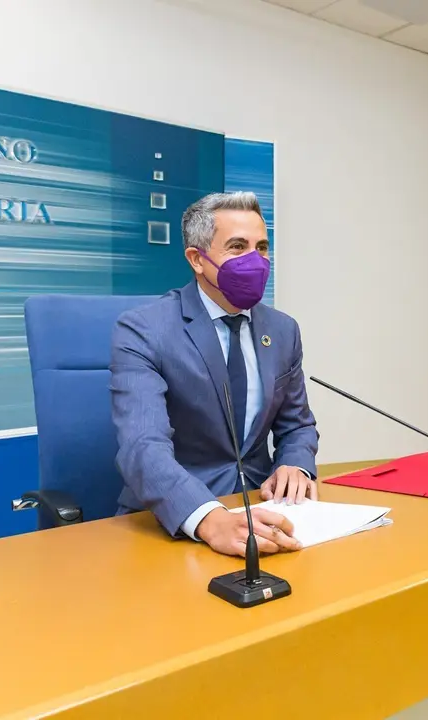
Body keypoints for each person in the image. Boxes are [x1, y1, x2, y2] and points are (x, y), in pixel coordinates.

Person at [110, 191, 319, 557]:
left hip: (265, 509)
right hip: (174, 523)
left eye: (262, 247)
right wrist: (208, 517)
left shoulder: (283, 330)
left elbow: (296, 425)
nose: (255, 261)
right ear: (197, 259)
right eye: (237, 247)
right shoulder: (145, 329)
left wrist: (295, 464)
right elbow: (142, 446)